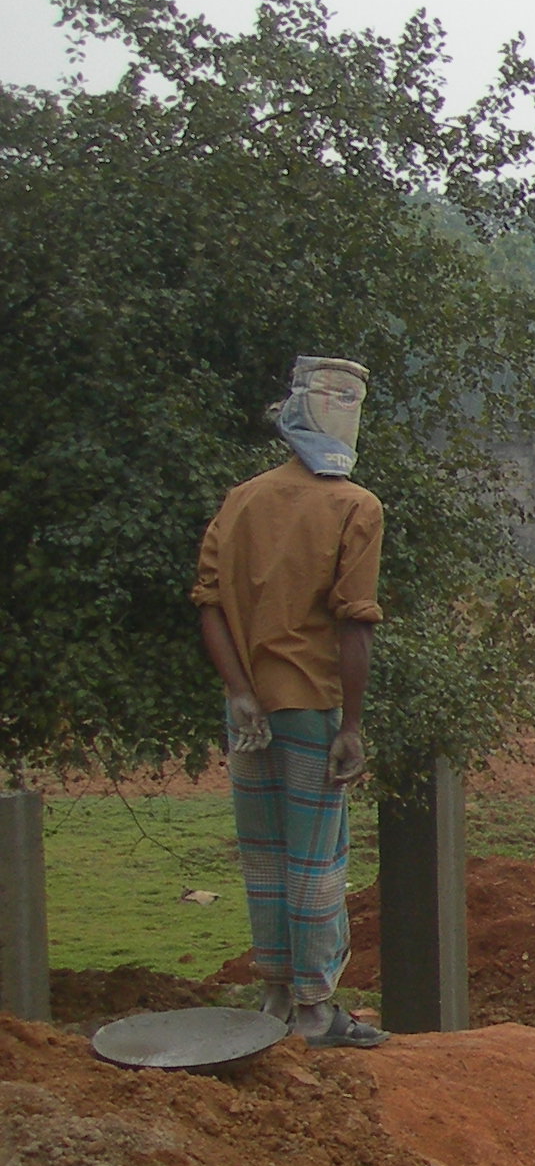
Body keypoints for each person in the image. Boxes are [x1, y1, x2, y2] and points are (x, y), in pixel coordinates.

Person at [192, 356, 388, 1050]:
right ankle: (314, 1009)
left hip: (248, 711)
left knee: (264, 851)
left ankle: (273, 996)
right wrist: (353, 727)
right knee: (315, 857)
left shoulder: (241, 499)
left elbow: (209, 604)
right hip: (311, 705)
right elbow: (354, 622)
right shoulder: (355, 507)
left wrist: (240, 694)